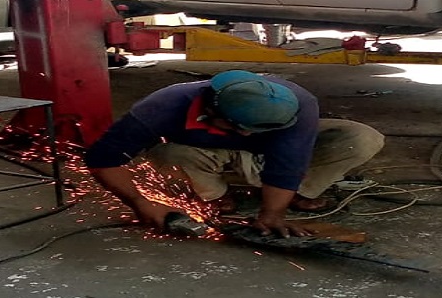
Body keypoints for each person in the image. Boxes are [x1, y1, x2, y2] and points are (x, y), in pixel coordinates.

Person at [84, 70, 385, 237]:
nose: (247, 134)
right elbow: (102, 159)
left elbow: (288, 161)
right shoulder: (162, 106)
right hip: (203, 155)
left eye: (255, 129)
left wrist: (272, 215)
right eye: (240, 127)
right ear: (211, 110)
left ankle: (296, 193)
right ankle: (216, 195)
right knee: (167, 156)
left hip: (265, 157)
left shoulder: (296, 103)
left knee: (360, 138)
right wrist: (141, 202)